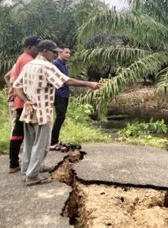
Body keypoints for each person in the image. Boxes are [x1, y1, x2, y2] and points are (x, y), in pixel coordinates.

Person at [13, 40, 100, 186]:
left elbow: (17, 87)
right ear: (45, 51)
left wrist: (26, 101)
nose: (56, 54)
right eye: (54, 52)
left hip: (29, 111)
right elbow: (66, 81)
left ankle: (27, 171)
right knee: (42, 144)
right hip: (41, 112)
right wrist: (89, 84)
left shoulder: (29, 65)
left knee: (29, 144)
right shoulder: (46, 66)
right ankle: (32, 176)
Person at [8, 36, 40, 174]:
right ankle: (14, 163)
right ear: (29, 47)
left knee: (21, 133)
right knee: (22, 133)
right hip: (24, 102)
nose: (38, 50)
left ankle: (17, 162)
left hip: (21, 101)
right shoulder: (28, 60)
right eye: (37, 47)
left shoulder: (22, 58)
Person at [50, 47, 71, 151]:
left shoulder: (64, 64)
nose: (68, 55)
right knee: (60, 117)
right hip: (58, 94)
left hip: (65, 94)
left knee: (61, 117)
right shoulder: (55, 64)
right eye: (66, 52)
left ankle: (54, 140)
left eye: (69, 53)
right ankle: (53, 142)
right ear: (59, 52)